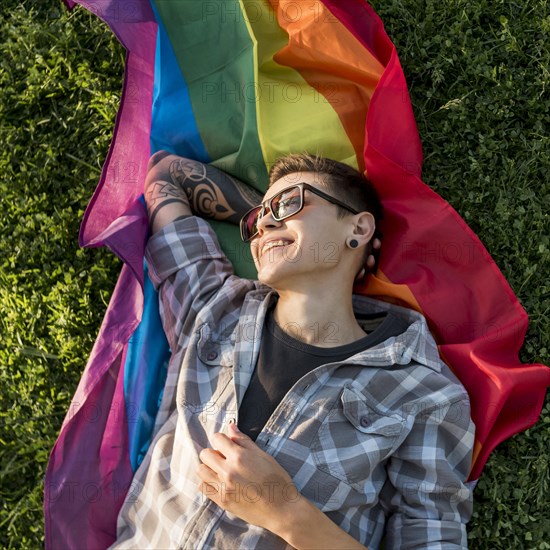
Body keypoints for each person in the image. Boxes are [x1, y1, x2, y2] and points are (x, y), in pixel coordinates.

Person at [110, 151, 475, 549]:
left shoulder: (425, 393)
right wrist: (283, 224)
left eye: (290, 202)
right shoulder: (212, 306)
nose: (262, 224)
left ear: (359, 227)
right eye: (256, 222)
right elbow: (166, 174)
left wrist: (284, 511)